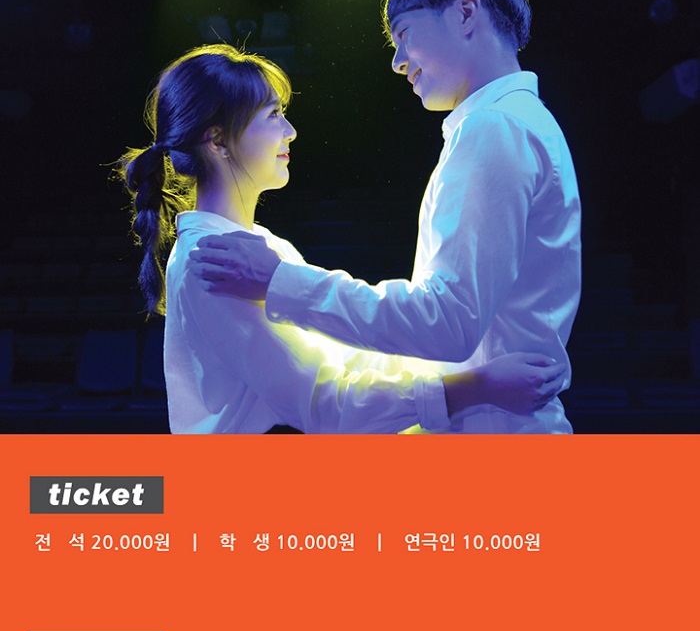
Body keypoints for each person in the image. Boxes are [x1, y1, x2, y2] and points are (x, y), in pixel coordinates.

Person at [196, 0, 581, 433]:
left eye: (404, 35)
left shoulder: (494, 127)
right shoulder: (520, 122)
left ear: (465, 13)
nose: (398, 63)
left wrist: (281, 283)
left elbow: (448, 323)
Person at [117, 38, 562, 435]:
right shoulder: (211, 261)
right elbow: (326, 406)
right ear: (217, 141)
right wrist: (475, 387)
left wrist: (463, 369)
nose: (290, 132)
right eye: (273, 115)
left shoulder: (260, 248)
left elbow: (348, 361)